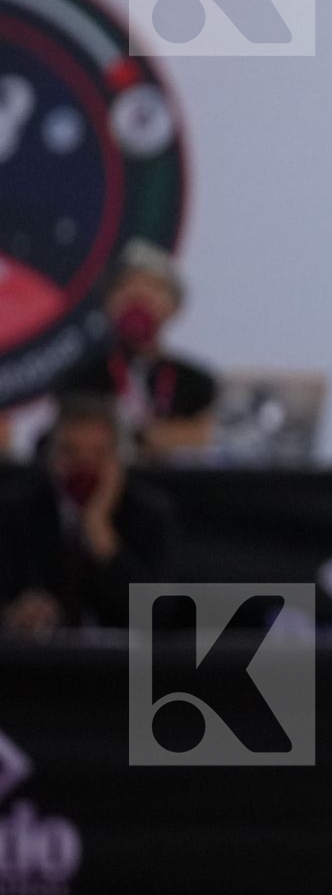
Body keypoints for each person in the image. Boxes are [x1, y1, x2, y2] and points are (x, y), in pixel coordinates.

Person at [0, 394, 178, 636]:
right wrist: (13, 613)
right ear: (50, 455)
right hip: (38, 661)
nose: (84, 465)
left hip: (119, 664)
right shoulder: (14, 510)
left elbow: (156, 615)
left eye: (98, 454)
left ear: (117, 459)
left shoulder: (149, 511)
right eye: (69, 452)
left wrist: (98, 528)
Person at [58, 238, 218, 460]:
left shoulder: (196, 383)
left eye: (153, 287)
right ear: (107, 303)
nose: (138, 297)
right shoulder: (80, 379)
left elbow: (206, 440)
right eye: (124, 286)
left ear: (174, 307)